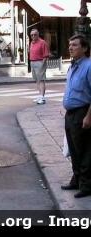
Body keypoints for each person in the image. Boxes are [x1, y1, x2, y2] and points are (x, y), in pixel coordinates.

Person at [61, 34, 91, 199]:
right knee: (73, 149)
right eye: (69, 45)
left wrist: (88, 116)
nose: (70, 48)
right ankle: (77, 180)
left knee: (84, 150)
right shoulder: (72, 66)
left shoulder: (89, 66)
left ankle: (86, 185)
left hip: (82, 112)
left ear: (84, 48)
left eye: (74, 45)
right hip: (70, 114)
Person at [29, 29, 49, 105]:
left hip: (39, 62)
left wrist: (42, 65)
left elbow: (46, 55)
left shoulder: (42, 42)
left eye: (35, 34)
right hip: (33, 62)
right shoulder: (32, 42)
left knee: (41, 80)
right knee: (37, 80)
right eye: (32, 35)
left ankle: (42, 97)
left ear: (38, 35)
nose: (33, 36)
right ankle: (40, 95)